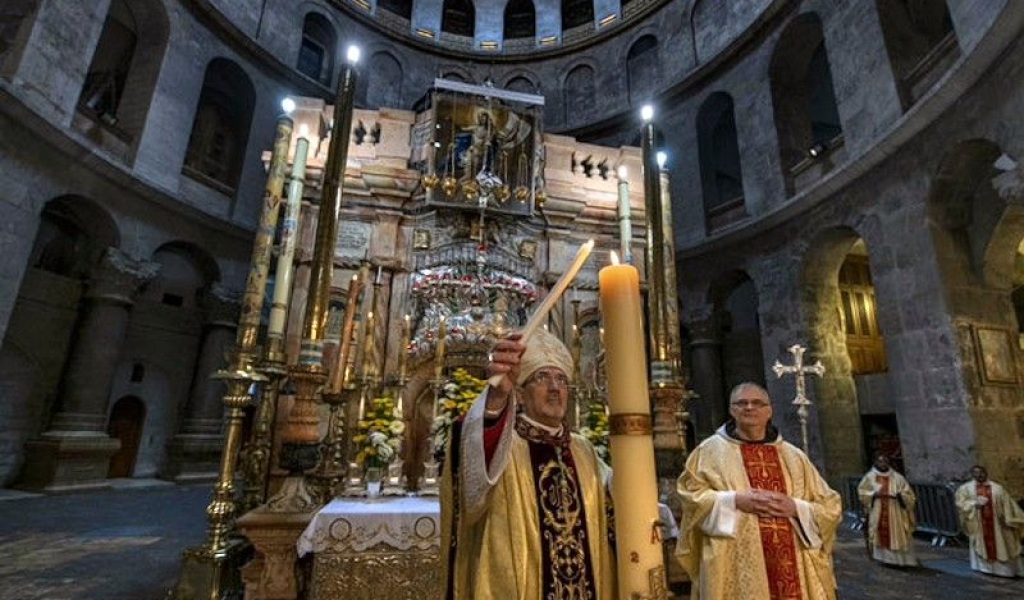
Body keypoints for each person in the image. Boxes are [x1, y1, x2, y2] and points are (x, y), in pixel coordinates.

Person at [440, 329, 615, 599]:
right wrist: (496, 398)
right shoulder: (504, 444)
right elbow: (470, 474)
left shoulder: (584, 450)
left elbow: (611, 506)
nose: (555, 388)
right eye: (541, 378)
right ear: (520, 394)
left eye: (561, 379)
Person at [676, 382, 841, 600]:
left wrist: (796, 508)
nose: (749, 408)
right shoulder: (709, 452)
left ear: (769, 410)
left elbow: (830, 505)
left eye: (757, 403)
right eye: (741, 403)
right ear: (731, 410)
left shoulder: (794, 456)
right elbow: (690, 496)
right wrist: (733, 500)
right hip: (735, 562)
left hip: (795, 562)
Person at [954, 465, 1024, 577]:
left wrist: (1008, 517)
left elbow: (1008, 505)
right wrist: (974, 504)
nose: (979, 475)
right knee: (982, 543)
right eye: (976, 473)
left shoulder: (997, 488)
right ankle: (984, 567)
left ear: (986, 473)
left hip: (998, 525)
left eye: (981, 472)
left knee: (1004, 544)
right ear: (972, 474)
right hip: (979, 523)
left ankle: (1004, 570)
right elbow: (961, 503)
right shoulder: (966, 489)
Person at [857, 453, 918, 567]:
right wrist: (873, 495)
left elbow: (909, 495)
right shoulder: (870, 477)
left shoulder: (898, 478)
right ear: (875, 463)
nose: (883, 464)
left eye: (885, 461)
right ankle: (884, 558)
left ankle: (900, 560)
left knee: (898, 534)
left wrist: (902, 496)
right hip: (878, 509)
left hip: (895, 511)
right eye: (880, 461)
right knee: (880, 534)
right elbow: (862, 492)